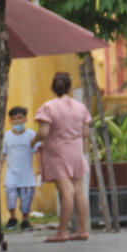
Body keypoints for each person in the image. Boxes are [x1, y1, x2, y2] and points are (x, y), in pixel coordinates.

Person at [34, 72, 93, 242]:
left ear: (53, 88)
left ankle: (62, 232)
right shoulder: (80, 107)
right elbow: (85, 133)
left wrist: (33, 140)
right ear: (70, 87)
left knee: (66, 192)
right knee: (79, 192)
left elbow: (44, 132)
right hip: (76, 152)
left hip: (57, 153)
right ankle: (82, 229)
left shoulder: (48, 107)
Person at [2, 106, 38, 231]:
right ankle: (12, 218)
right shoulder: (6, 136)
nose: (17, 121)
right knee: (10, 197)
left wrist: (41, 169)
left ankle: (25, 221)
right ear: (10, 121)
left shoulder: (31, 135)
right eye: (14, 119)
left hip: (27, 174)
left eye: (19, 118)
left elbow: (38, 152)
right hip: (11, 173)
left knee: (26, 199)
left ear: (25, 119)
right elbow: (3, 154)